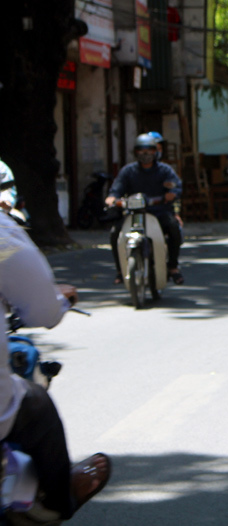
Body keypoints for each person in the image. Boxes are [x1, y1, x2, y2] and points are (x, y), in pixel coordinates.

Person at [0, 211, 111, 521]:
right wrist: (59, 300)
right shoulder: (2, 233)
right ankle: (60, 499)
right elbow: (42, 312)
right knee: (36, 402)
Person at [105, 134, 185, 285]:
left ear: (155, 152)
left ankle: (173, 267)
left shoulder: (165, 170)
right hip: (135, 214)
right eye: (141, 150)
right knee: (115, 233)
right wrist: (112, 199)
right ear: (135, 152)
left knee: (174, 227)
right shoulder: (128, 171)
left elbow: (176, 186)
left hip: (159, 212)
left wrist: (171, 194)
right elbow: (115, 191)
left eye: (149, 150)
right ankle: (120, 270)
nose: (145, 154)